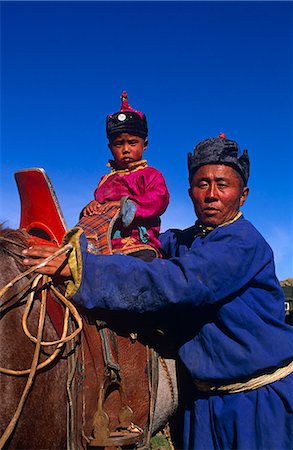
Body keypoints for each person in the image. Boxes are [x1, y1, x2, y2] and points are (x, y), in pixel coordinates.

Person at [23, 134, 293, 449]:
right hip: (202, 405)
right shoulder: (184, 241)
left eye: (223, 184)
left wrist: (83, 271)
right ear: (190, 192)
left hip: (256, 403)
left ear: (242, 195)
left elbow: (175, 281)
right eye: (201, 184)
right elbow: (143, 248)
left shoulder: (242, 243)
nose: (211, 194)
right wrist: (86, 241)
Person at [81, 91, 170, 261]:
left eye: (132, 142)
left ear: (145, 145)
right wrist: (91, 206)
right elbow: (99, 204)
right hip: (104, 245)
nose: (126, 149)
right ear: (110, 147)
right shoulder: (106, 180)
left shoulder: (151, 175)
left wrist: (124, 206)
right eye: (119, 144)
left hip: (138, 244)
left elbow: (159, 200)